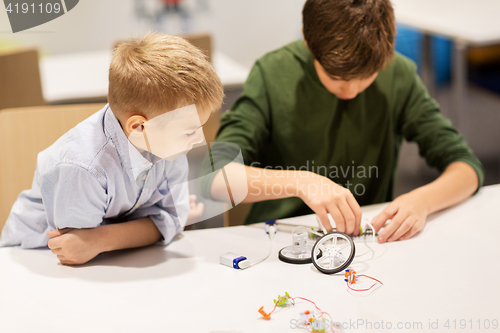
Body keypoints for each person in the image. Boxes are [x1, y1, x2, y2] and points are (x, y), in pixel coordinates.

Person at [201, 0, 483, 243]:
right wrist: (301, 182)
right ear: (307, 42)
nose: (350, 91)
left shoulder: (398, 75)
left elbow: (465, 166)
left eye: (366, 78)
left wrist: (423, 201)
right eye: (335, 77)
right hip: (283, 241)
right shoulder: (272, 74)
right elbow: (215, 177)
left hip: (366, 241)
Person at [0, 33, 223, 264]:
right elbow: (76, 248)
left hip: (110, 257)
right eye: (189, 132)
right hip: (33, 258)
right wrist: (147, 226)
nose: (198, 140)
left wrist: (101, 239)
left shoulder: (168, 143)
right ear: (139, 127)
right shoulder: (83, 166)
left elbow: (172, 219)